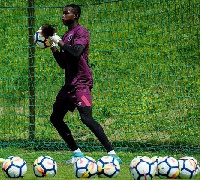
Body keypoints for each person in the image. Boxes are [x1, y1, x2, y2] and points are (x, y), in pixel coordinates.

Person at [47, 4, 121, 164]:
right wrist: (53, 47)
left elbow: (76, 52)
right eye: (62, 13)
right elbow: (63, 63)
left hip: (81, 83)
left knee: (86, 118)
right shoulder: (66, 36)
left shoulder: (81, 32)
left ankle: (112, 153)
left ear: (75, 15)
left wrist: (58, 41)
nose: (62, 16)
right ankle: (77, 154)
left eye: (66, 13)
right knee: (55, 118)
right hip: (69, 85)